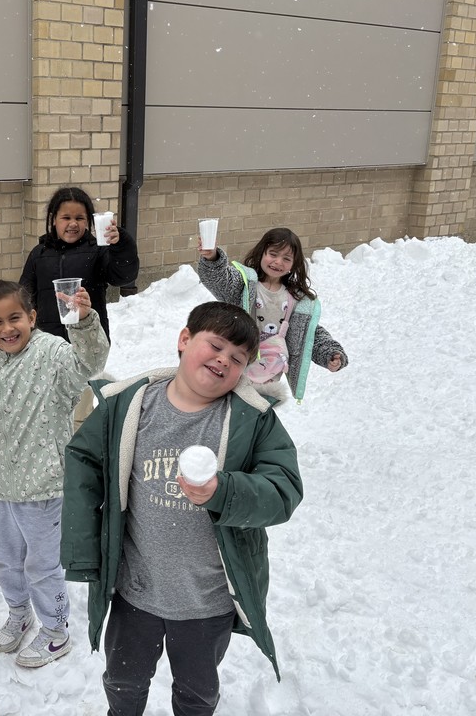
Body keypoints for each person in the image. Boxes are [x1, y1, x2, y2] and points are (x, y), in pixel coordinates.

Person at [60, 301, 303, 715]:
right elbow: (83, 463)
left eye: (238, 358)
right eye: (216, 346)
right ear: (185, 340)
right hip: (134, 594)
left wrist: (223, 492)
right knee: (122, 683)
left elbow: (283, 490)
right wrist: (85, 554)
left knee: (197, 694)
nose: (224, 360)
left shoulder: (251, 420)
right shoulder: (130, 405)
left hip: (206, 603)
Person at [0, 279, 109, 668]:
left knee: (43, 566)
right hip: (2, 487)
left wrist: (82, 323)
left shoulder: (52, 354)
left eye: (15, 317)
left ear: (32, 317)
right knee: (6, 560)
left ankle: (55, 630)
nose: (7, 328)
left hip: (45, 487)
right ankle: (20, 612)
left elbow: (89, 362)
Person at [197, 226, 347, 403]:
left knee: (251, 422)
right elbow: (220, 279)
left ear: (294, 264)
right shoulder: (245, 284)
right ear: (262, 253)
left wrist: (329, 353)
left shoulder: (295, 299)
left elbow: (308, 334)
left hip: (266, 381)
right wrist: (213, 257)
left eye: (286, 258)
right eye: (273, 254)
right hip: (233, 370)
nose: (278, 262)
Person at [19, 186, 139, 342]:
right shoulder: (39, 254)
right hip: (49, 343)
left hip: (89, 341)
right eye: (66, 218)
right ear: (54, 219)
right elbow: (24, 298)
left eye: (79, 218)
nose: (73, 223)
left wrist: (121, 244)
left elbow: (123, 276)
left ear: (88, 220)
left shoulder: (98, 251)